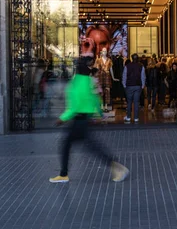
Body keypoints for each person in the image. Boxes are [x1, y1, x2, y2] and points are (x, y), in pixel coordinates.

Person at [49, 56, 129, 184]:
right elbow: (94, 99)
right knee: (87, 146)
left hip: (79, 119)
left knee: (80, 146)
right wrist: (99, 113)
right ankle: (64, 174)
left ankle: (116, 167)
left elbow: (74, 106)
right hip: (84, 119)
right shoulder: (88, 81)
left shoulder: (76, 83)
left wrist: (62, 119)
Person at [122, 53, 146, 124]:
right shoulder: (141, 66)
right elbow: (143, 76)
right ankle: (136, 118)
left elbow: (124, 76)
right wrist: (143, 85)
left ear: (132, 58)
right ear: (137, 58)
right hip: (138, 86)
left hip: (129, 86)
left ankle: (128, 117)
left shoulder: (127, 66)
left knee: (129, 102)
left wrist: (124, 85)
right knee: (136, 102)